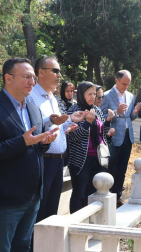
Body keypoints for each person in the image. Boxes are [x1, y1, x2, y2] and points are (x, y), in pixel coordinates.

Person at [0, 58, 58, 252]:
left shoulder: (34, 110)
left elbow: (35, 148)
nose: (32, 82)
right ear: (8, 78)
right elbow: (22, 143)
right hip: (6, 198)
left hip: (33, 196)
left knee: (23, 246)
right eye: (26, 77)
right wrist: (22, 141)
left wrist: (44, 144)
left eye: (33, 78)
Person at [27, 57, 84, 223]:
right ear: (41, 72)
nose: (59, 75)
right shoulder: (31, 96)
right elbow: (32, 127)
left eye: (59, 71)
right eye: (55, 71)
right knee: (39, 212)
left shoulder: (52, 97)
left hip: (58, 161)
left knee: (51, 212)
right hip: (43, 161)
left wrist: (70, 118)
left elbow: (56, 122)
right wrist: (50, 122)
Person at [67, 81, 115, 213]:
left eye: (95, 94)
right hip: (80, 159)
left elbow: (102, 133)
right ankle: (75, 222)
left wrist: (108, 122)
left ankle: (90, 221)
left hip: (97, 158)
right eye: (90, 94)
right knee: (79, 192)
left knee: (93, 192)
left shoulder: (97, 110)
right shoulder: (74, 110)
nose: (93, 97)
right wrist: (87, 122)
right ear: (82, 94)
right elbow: (73, 137)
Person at [100, 70, 141, 207]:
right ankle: (109, 196)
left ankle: (117, 196)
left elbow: (130, 117)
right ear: (116, 80)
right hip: (113, 137)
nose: (126, 87)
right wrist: (116, 113)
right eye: (124, 83)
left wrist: (135, 112)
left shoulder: (130, 96)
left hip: (127, 137)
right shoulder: (106, 96)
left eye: (128, 84)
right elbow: (101, 116)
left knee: (122, 169)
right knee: (112, 168)